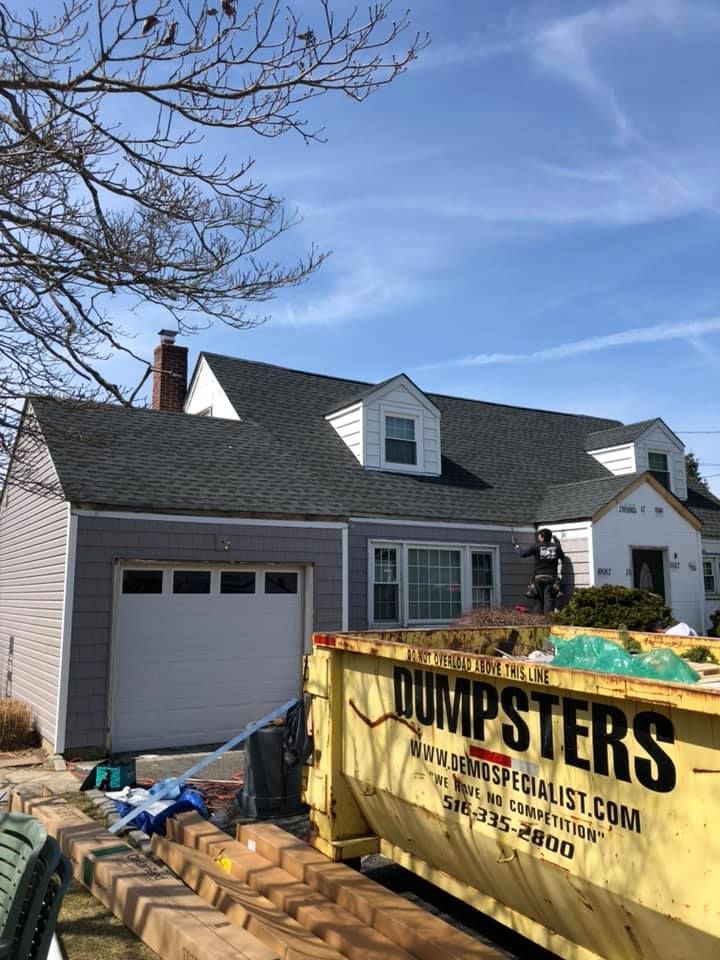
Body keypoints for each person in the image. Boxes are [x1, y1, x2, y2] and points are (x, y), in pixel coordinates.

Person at [513, 529, 565, 614]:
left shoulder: (536, 546)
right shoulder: (556, 547)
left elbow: (522, 554)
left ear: (542, 537)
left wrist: (516, 545)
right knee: (548, 600)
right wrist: (558, 544)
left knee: (538, 599)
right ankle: (547, 620)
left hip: (538, 577)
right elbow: (562, 557)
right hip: (551, 577)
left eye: (539, 535)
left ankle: (539, 620)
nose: (538, 537)